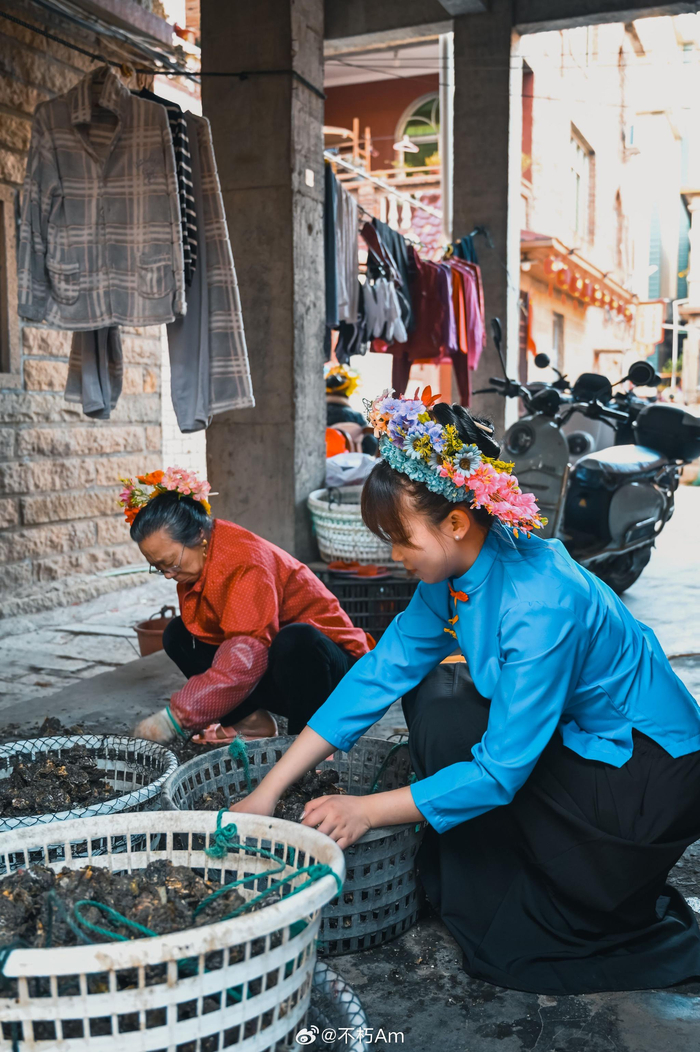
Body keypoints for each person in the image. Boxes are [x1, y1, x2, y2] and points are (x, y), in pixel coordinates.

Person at [230, 388, 700, 995]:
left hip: (646, 772)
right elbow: (381, 673)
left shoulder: (542, 602)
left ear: (455, 521)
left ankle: (572, 890)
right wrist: (270, 789)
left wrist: (366, 809)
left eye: (403, 541)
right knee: (433, 696)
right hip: (590, 741)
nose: (397, 558)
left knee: (457, 724)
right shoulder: (455, 571)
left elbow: (503, 769)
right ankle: (493, 867)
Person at [123, 468, 370, 745]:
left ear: (199, 538)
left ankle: (307, 745)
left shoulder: (244, 562)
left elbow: (246, 654)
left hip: (333, 676)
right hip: (282, 670)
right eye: (158, 567)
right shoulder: (200, 561)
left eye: (170, 562)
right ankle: (250, 722)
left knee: (297, 639)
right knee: (179, 634)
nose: (168, 574)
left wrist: (177, 717)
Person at [325, 364, 378, 455]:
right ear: (348, 393)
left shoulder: (318, 416)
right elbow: (371, 446)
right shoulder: (356, 417)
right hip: (353, 465)